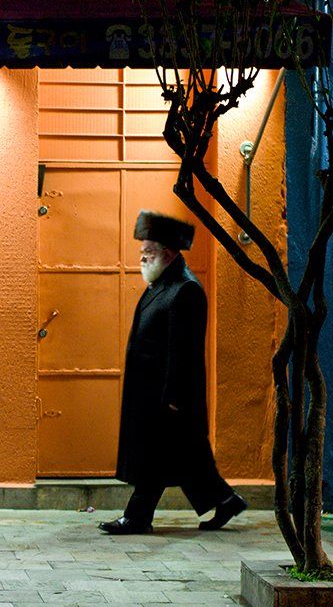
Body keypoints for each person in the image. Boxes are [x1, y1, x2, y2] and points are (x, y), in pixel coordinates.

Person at [100, 211, 248, 535]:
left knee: (158, 458)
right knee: (186, 457)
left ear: (168, 253)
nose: (142, 255)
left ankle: (137, 517)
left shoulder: (185, 290)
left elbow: (185, 351)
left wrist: (175, 396)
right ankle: (224, 500)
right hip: (153, 394)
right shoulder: (163, 283)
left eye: (149, 251)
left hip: (168, 396)